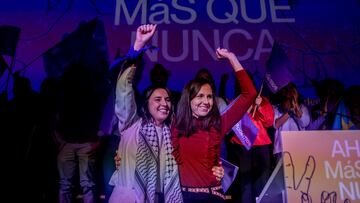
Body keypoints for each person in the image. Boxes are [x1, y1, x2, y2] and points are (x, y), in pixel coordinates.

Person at [109, 24, 225, 203]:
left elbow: (193, 158)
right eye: (157, 99)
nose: (164, 103)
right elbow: (123, 89)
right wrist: (137, 47)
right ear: (146, 104)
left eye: (168, 100)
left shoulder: (174, 132)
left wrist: (216, 168)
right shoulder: (132, 123)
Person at [172, 48, 257, 203]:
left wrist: (232, 58)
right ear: (188, 99)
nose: (206, 101)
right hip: (183, 197)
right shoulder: (175, 127)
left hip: (213, 197)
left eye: (210, 97)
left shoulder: (218, 124)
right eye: (200, 96)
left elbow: (250, 94)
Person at [226, 95, 274, 203]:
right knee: (245, 183)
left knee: (261, 182)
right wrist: (246, 110)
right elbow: (230, 121)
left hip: (261, 145)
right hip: (242, 144)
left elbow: (269, 122)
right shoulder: (237, 100)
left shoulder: (264, 100)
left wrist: (260, 106)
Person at [272, 82, 310, 161]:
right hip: (281, 149)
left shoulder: (302, 108)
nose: (290, 102)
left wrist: (296, 107)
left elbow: (305, 123)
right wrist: (289, 112)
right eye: (288, 99)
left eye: (292, 99)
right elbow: (276, 124)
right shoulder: (277, 109)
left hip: (298, 149)